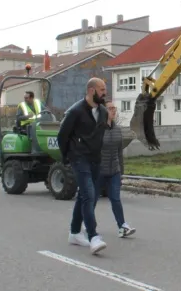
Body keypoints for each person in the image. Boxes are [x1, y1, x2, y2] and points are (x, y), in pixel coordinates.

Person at [57, 77, 112, 254]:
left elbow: (104, 130)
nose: (105, 92)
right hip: (79, 158)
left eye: (105, 89)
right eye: (102, 89)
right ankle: (93, 236)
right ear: (91, 90)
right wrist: (67, 156)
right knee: (88, 194)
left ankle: (74, 233)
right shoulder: (75, 111)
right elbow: (62, 136)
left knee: (88, 196)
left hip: (95, 158)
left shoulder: (103, 112)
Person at [94, 101, 135, 238]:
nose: (113, 111)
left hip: (114, 172)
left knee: (115, 199)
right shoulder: (97, 129)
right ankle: (85, 224)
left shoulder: (117, 130)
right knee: (92, 199)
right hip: (99, 172)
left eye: (114, 108)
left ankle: (122, 226)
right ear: (104, 110)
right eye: (110, 108)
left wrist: (121, 173)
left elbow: (119, 153)